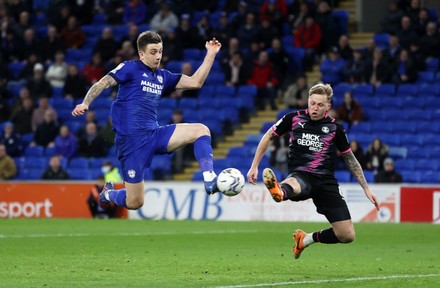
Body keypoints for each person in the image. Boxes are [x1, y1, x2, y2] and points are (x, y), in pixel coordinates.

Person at [71, 31, 222, 210]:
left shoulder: (163, 76)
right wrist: (86, 102)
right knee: (135, 202)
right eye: (153, 52)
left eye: (160, 51)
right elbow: (102, 83)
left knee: (201, 130)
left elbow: (195, 82)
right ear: (141, 54)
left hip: (154, 135)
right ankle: (108, 194)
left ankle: (209, 177)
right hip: (132, 143)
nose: (158, 56)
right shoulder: (129, 68)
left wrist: (211, 54)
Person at [247, 83, 379, 259]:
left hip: (326, 182)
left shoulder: (335, 128)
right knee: (294, 184)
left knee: (347, 235)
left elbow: (350, 159)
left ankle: (305, 239)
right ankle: (280, 191)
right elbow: (269, 136)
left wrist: (366, 188)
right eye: (312, 103)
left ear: (328, 107)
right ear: (308, 101)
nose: (315, 108)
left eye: (320, 105)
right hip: (301, 174)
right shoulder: (293, 118)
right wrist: (254, 165)